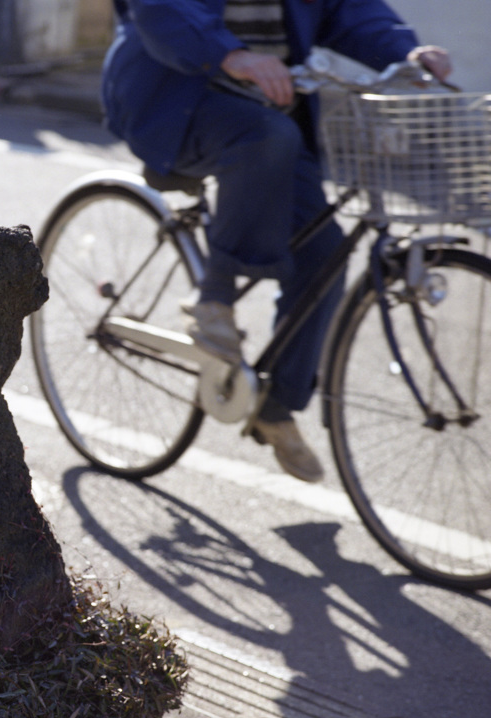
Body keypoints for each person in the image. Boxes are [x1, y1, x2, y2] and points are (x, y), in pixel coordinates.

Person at [101, 0, 451, 483]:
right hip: (176, 98)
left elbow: (351, 10)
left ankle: (277, 405)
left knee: (325, 252)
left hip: (274, 107)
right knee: (267, 136)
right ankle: (214, 300)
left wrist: (408, 52)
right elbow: (161, 8)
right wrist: (231, 54)